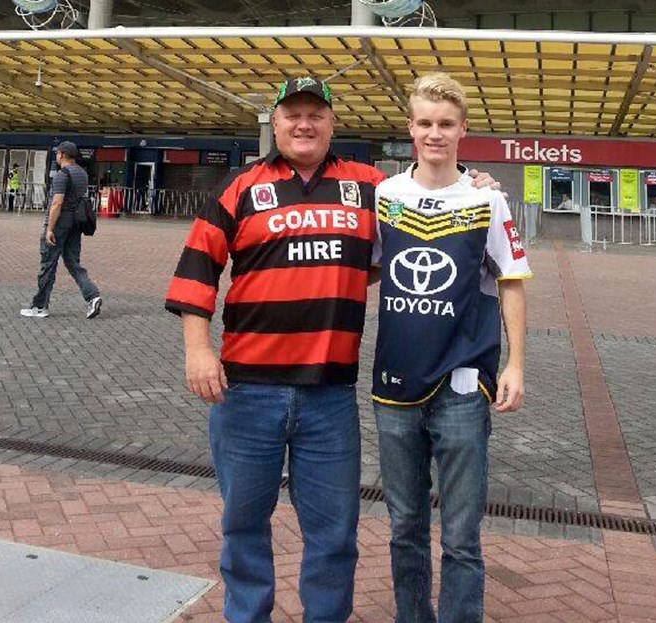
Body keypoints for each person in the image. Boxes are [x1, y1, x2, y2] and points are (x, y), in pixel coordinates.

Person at [165, 76, 498, 623]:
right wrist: (197, 351)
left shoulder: (370, 187)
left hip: (329, 396)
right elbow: (198, 269)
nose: (304, 124)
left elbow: (427, 198)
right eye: (292, 114)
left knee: (335, 533)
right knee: (243, 524)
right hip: (247, 391)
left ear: (331, 123)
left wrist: (475, 182)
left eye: (315, 114)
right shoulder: (240, 185)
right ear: (275, 123)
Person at [371, 72, 531, 623]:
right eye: (425, 123)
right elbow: (365, 267)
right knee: (404, 528)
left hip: (463, 387)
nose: (434, 133)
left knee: (462, 536)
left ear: (463, 130)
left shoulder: (488, 200)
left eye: (445, 124)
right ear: (410, 128)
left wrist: (515, 364)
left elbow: (512, 281)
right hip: (394, 385)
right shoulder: (385, 196)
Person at [20, 141, 102, 319]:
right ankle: (92, 296)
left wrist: (50, 229)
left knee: (48, 263)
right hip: (76, 223)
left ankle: (40, 306)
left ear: (62, 154)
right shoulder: (82, 173)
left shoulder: (62, 175)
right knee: (73, 262)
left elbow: (57, 203)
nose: (56, 156)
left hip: (60, 222)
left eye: (57, 153)